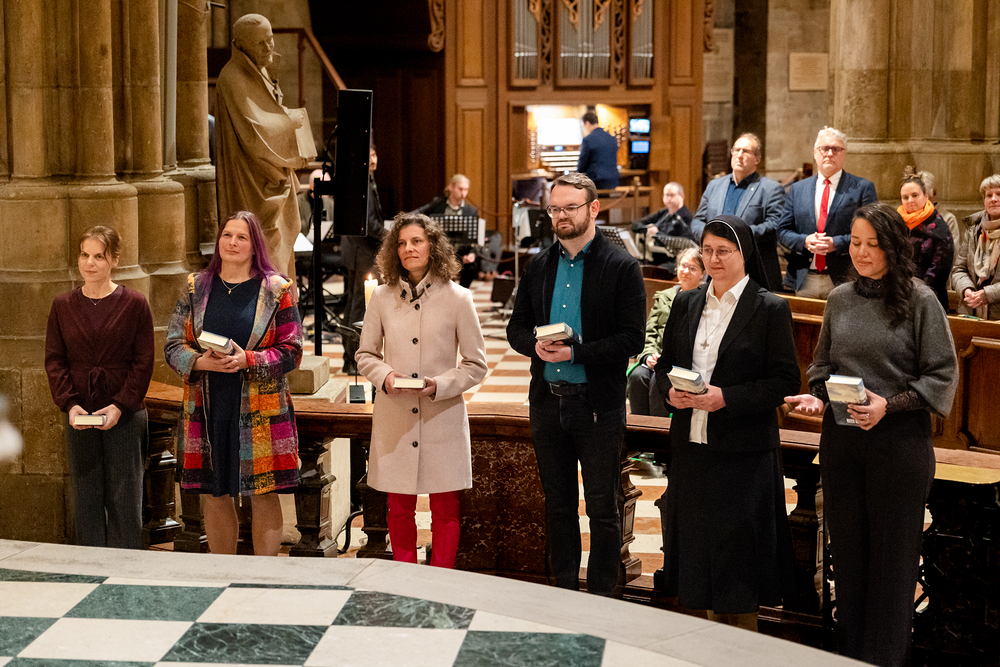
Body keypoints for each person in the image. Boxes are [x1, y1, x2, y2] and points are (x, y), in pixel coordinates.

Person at [786, 202, 958, 667]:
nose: (861, 253)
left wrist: (889, 404)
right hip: (843, 444)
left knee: (891, 568)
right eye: (856, 243)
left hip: (898, 445)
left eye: (872, 245)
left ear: (894, 247)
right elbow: (822, 365)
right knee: (850, 562)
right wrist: (817, 396)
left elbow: (942, 375)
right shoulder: (840, 299)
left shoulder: (921, 300)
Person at [651, 215, 800, 631]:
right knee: (696, 558)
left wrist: (726, 398)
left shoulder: (769, 307)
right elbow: (664, 366)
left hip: (742, 456)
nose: (713, 259)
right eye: (707, 251)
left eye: (723, 251)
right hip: (691, 450)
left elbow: (785, 382)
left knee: (737, 565)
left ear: (743, 253)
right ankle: (701, 645)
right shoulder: (686, 302)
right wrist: (669, 392)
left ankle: (739, 648)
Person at [507, 172, 645, 597]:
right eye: (555, 208)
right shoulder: (539, 266)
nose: (561, 216)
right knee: (559, 506)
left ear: (593, 209)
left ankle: (603, 597)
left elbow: (632, 340)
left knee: (603, 509)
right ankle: (563, 591)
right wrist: (535, 345)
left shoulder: (621, 266)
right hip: (548, 403)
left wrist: (575, 353)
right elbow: (515, 329)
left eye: (570, 207)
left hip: (597, 405)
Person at [165, 211, 303, 556]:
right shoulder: (197, 287)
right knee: (216, 492)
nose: (233, 243)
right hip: (208, 404)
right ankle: (222, 570)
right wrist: (200, 361)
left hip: (259, 408)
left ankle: (263, 576)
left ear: (255, 246)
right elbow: (173, 345)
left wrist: (248, 360)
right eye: (227, 235)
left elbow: (293, 351)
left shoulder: (276, 290)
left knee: (263, 493)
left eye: (242, 237)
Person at [356, 213, 487, 568]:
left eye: (416, 241)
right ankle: (404, 579)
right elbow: (365, 355)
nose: (408, 249)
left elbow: (476, 364)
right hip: (395, 415)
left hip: (441, 416)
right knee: (398, 509)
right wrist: (385, 376)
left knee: (446, 510)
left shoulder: (458, 298)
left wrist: (440, 385)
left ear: (432, 246)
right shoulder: (381, 297)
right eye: (401, 243)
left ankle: (440, 579)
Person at [45, 226, 154, 549]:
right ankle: (90, 564)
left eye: (98, 256)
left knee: (125, 496)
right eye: (84, 255)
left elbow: (143, 362)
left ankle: (124, 564)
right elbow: (55, 360)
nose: (89, 263)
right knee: (85, 496)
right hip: (80, 412)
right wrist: (70, 404)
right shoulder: (63, 305)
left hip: (125, 412)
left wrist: (120, 405)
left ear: (114, 260)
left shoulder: (135, 304)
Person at [215, 14, 309, 301]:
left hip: (270, 174)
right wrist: (292, 120)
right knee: (263, 247)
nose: (269, 47)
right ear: (241, 45)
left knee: (279, 254)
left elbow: (267, 115)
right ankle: (267, 316)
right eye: (260, 43)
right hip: (252, 180)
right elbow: (255, 132)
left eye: (270, 40)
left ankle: (283, 317)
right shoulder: (233, 77)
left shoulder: (259, 71)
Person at [776, 127, 879, 298]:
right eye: (824, 148)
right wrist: (805, 241)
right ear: (815, 153)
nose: (830, 153)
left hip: (844, 278)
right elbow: (782, 231)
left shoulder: (862, 188)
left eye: (836, 149)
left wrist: (836, 243)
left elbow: (871, 232)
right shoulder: (797, 189)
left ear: (844, 154)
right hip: (804, 278)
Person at [690, 134, 786, 291]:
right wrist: (712, 239)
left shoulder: (771, 189)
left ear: (757, 158)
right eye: (736, 150)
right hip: (717, 272)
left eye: (746, 151)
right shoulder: (714, 186)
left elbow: (775, 224)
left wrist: (736, 236)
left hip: (754, 274)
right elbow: (697, 221)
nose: (740, 155)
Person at [627, 248, 705, 417]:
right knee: (638, 376)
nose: (686, 271)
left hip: (680, 363)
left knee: (659, 381)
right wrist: (648, 356)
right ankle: (639, 429)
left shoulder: (704, 300)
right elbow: (650, 332)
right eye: (683, 266)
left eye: (693, 268)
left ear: (703, 274)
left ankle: (660, 430)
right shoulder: (664, 296)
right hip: (657, 359)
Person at [340, 145, 385, 375]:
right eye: (369, 157)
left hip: (357, 253)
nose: (373, 160)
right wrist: (391, 236)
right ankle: (353, 359)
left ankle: (350, 359)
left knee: (354, 304)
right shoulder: (362, 185)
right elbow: (369, 224)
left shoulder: (364, 182)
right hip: (362, 254)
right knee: (358, 307)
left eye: (374, 154)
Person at [898, 167, 953, 310]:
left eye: (915, 195)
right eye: (905, 197)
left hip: (929, 301)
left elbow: (938, 273)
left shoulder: (938, 227)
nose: (910, 200)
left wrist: (913, 294)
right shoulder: (897, 224)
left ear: (926, 196)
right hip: (898, 298)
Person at [416, 174, 484, 288]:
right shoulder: (438, 204)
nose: (463, 193)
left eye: (466, 190)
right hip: (440, 251)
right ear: (450, 187)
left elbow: (474, 238)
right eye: (460, 189)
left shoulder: (471, 211)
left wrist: (472, 253)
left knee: (472, 265)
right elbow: (419, 213)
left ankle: (461, 291)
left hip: (461, 252)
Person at [951, 174, 1000, 320]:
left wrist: (988, 294)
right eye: (989, 195)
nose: (994, 199)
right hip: (970, 311)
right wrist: (967, 289)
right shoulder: (973, 230)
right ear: (984, 201)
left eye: (999, 194)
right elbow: (958, 269)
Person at [630, 182, 695, 267]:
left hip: (672, 261)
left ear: (682, 196)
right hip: (653, 257)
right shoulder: (663, 213)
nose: (668, 198)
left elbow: (685, 243)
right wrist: (646, 228)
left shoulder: (687, 218)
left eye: (672, 195)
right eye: (666, 195)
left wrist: (657, 234)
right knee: (631, 264)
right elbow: (635, 224)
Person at [577, 111, 620, 190]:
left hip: (596, 181)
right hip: (612, 181)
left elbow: (582, 165)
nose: (583, 129)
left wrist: (577, 176)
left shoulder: (588, 140)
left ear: (587, 124)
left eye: (583, 126)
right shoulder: (611, 138)